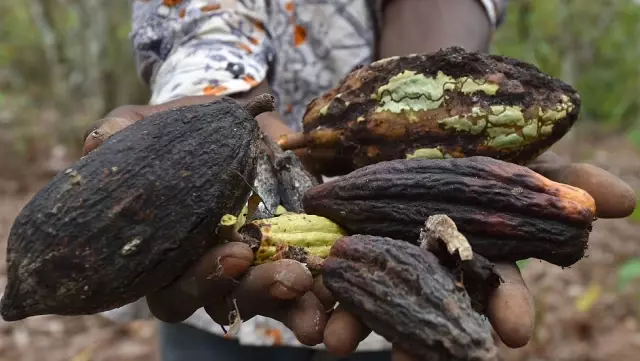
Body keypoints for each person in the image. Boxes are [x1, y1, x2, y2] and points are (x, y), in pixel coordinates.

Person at [82, 1, 637, 360]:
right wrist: (217, 106)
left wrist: (423, 79)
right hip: (222, 306)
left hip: (375, 295)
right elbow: (203, 18)